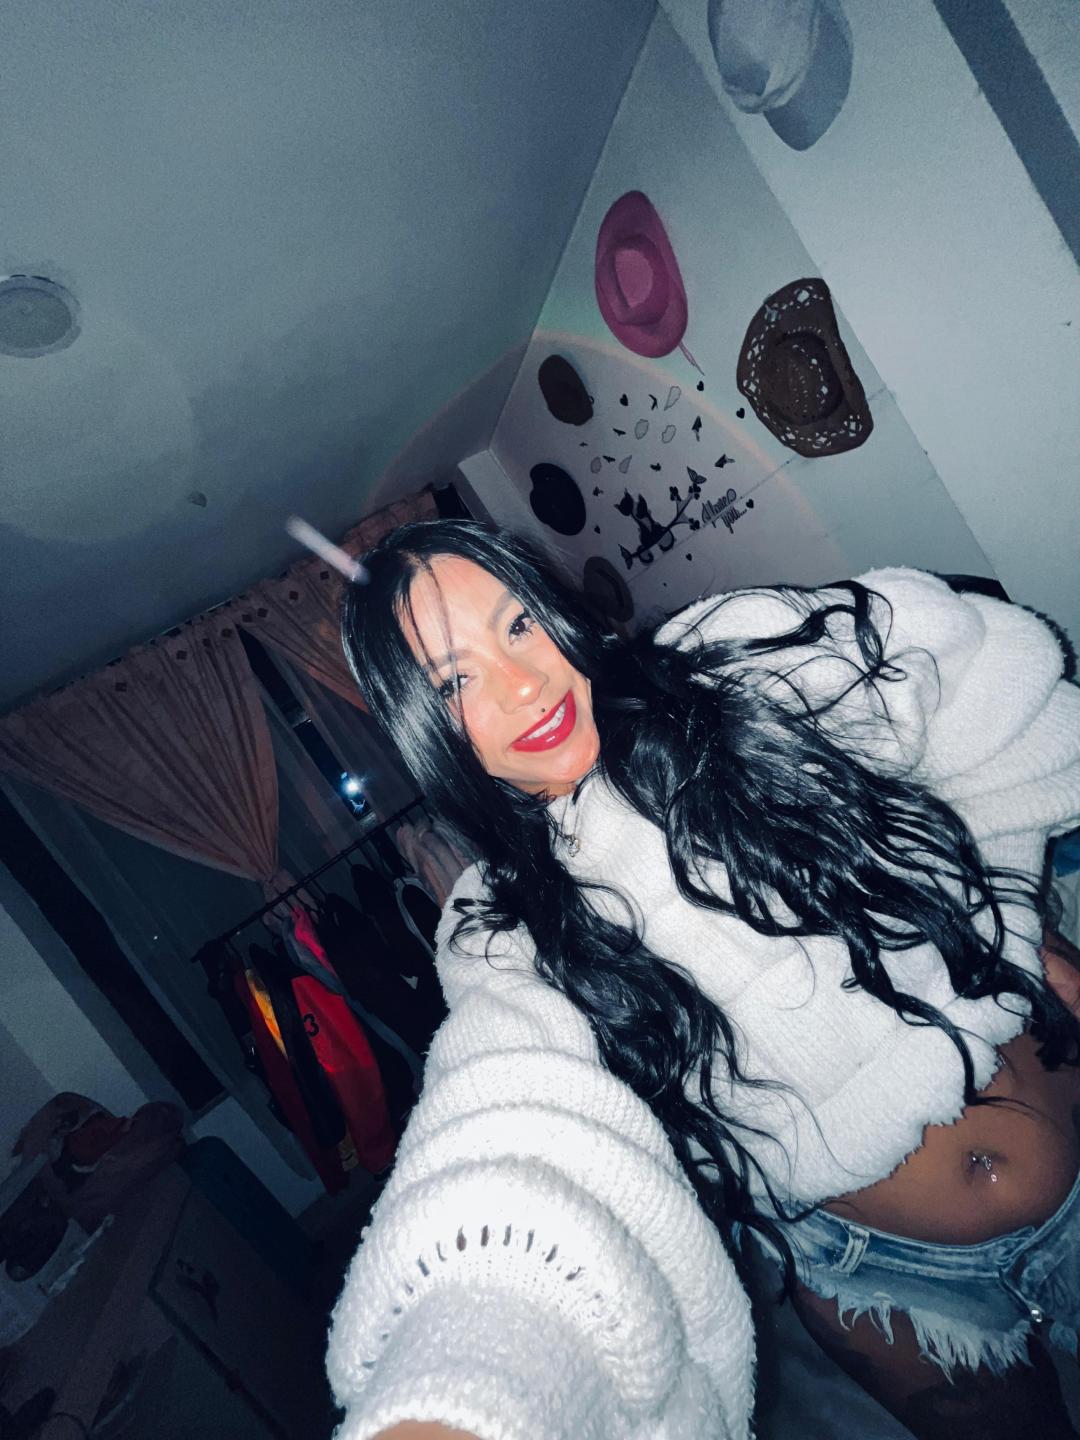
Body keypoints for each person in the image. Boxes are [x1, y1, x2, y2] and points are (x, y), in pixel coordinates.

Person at [325, 518, 1080, 1440]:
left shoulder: (732, 667)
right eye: (457, 680)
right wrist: (460, 1391)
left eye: (519, 624)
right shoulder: (502, 931)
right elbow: (509, 1119)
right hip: (892, 1288)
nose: (523, 683)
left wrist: (1012, 924)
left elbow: (996, 685)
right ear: (425, 726)